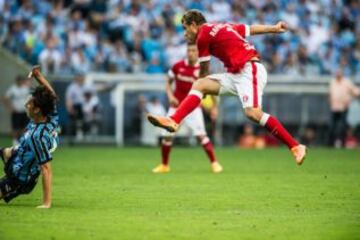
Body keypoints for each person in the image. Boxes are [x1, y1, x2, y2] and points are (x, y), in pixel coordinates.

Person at [147, 10, 306, 165]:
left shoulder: (202, 36)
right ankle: (173, 120)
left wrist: (201, 94)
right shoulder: (223, 26)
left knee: (253, 113)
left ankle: (295, 146)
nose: (184, 33)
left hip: (250, 70)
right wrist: (274, 28)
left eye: (185, 28)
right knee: (200, 85)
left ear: (194, 24)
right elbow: (250, 29)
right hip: (236, 73)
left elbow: (204, 69)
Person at [152, 44, 223, 173]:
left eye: (193, 50)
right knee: (167, 136)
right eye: (189, 50)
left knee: (201, 136)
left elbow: (211, 88)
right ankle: (164, 165)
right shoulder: (177, 66)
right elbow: (168, 82)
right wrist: (170, 96)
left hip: (193, 109)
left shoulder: (203, 71)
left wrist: (214, 108)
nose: (191, 53)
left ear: (198, 52)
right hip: (176, 107)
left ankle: (214, 163)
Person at [0, 66, 59, 208]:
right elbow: (51, 94)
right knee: (8, 151)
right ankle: (9, 153)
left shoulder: (36, 137)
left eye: (29, 103)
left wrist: (46, 203)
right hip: (18, 154)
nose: (26, 105)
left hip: (20, 179)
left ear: (37, 109)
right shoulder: (50, 115)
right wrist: (38, 77)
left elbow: (46, 169)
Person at [328, 70, 360, 147]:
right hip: (334, 108)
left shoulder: (346, 82)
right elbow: (330, 93)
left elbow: (355, 91)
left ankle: (342, 142)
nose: (338, 74)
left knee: (342, 126)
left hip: (343, 108)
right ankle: (331, 143)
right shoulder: (333, 82)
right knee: (332, 126)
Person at [2, 75, 31, 145]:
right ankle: (15, 141)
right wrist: (10, 108)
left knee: (24, 127)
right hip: (16, 111)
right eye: (19, 80)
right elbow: (5, 98)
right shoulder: (13, 89)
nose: (21, 82)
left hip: (24, 111)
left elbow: (30, 97)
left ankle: (22, 141)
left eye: (22, 80)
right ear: (17, 81)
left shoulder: (26, 88)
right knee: (16, 128)